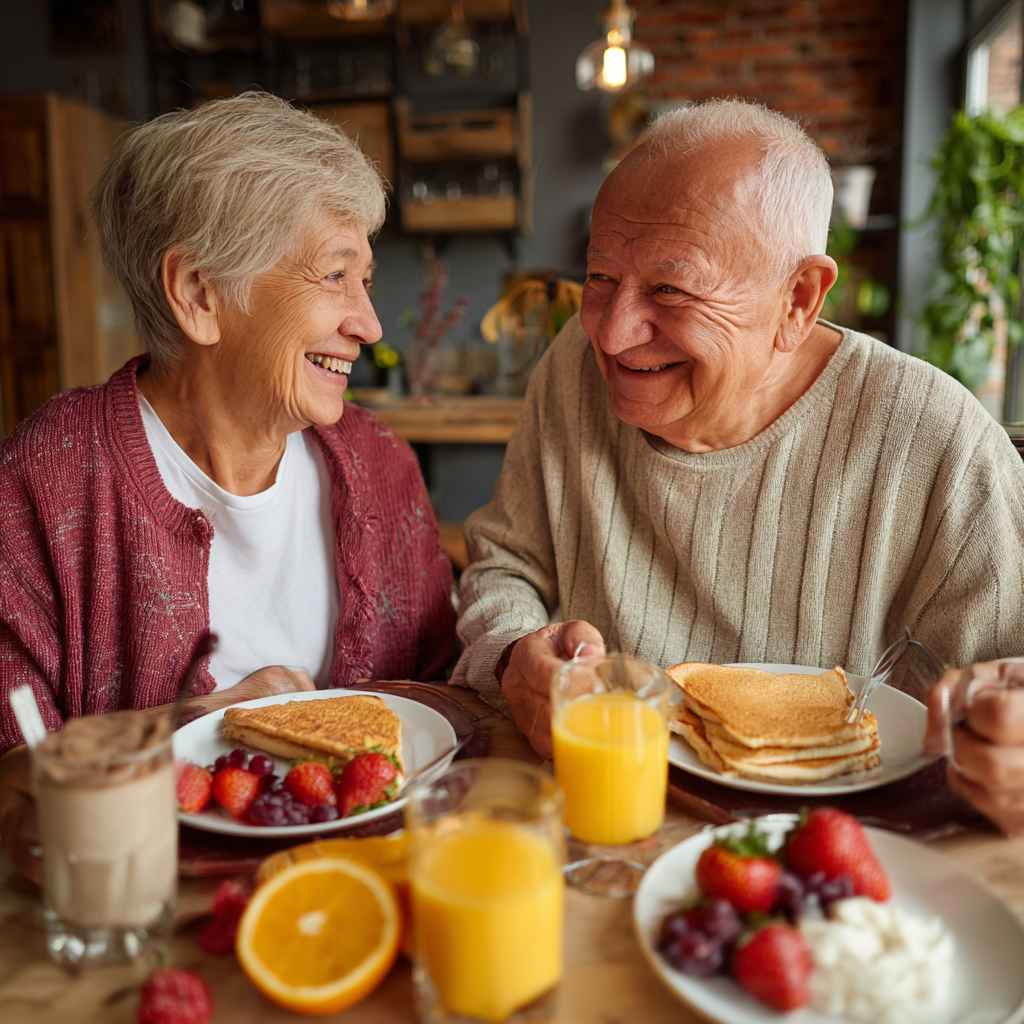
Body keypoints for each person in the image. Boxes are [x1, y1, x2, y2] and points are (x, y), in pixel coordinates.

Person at [453, 97, 1024, 811]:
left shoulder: (940, 442)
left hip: (837, 856)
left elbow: (1008, 681)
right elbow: (505, 566)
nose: (613, 332)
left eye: (670, 287)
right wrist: (514, 655)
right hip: (593, 823)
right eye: (599, 277)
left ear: (798, 300)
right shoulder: (572, 368)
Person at [0, 92, 457, 880]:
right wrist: (196, 724)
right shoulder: (45, 480)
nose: (370, 323)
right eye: (335, 276)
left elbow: (443, 708)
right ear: (199, 294)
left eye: (367, 280)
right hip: (141, 919)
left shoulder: (381, 467)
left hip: (368, 898)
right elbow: (15, 793)